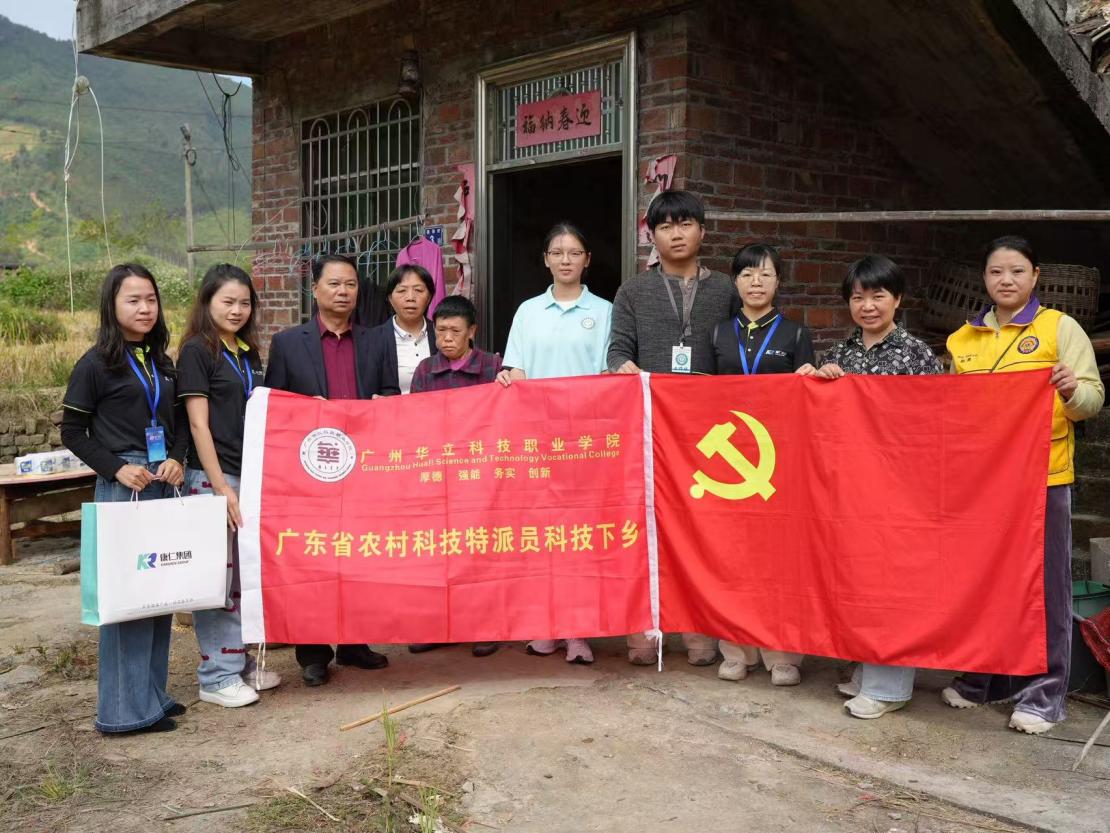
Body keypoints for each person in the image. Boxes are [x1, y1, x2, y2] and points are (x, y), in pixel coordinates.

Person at [941, 236, 1104, 734]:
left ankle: (1046, 692)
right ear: (984, 279)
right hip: (982, 481)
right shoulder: (961, 340)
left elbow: (1092, 399)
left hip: (1044, 476)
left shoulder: (1060, 328)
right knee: (984, 581)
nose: (1006, 280)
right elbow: (952, 411)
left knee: (1046, 586)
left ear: (1036, 276)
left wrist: (1072, 391)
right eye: (996, 272)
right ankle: (985, 677)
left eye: (1017, 271)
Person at [797, 255, 941, 719]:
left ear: (898, 299)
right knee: (855, 579)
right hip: (849, 489)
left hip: (900, 489)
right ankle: (866, 665)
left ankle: (890, 685)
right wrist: (813, 382)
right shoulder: (840, 353)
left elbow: (936, 421)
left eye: (878, 295)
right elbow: (819, 420)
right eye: (858, 297)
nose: (868, 306)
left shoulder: (917, 354)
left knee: (891, 582)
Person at [608, 189, 737, 666]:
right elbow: (618, 349)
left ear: (702, 231)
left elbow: (739, 356)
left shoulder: (727, 290)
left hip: (710, 432)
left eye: (685, 224)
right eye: (665, 226)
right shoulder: (632, 291)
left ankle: (700, 631)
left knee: (704, 530)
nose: (675, 234)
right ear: (652, 235)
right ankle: (645, 632)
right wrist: (621, 366)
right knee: (648, 528)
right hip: (651, 430)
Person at [61, 264, 188, 734]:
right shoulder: (95, 364)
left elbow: (179, 425)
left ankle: (151, 695)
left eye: (151, 299)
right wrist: (115, 467)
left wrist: (176, 458)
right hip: (123, 485)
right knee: (127, 596)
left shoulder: (160, 361)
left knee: (159, 591)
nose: (145, 308)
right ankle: (122, 711)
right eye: (133, 300)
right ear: (112, 306)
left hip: (161, 479)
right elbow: (72, 432)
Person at [263, 252, 390, 686]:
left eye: (351, 284)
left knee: (359, 556)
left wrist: (382, 406)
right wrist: (304, 411)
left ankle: (354, 643)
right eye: (334, 283)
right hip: (310, 472)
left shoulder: (376, 340)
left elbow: (390, 395)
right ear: (314, 289)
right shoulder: (287, 343)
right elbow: (274, 407)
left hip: (364, 469)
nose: (343, 291)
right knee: (312, 560)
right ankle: (313, 653)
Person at [496, 221, 613, 665]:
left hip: (585, 444)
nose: (566, 260)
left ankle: (578, 631)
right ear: (545, 259)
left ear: (587, 260)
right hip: (538, 444)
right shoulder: (528, 312)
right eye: (558, 252)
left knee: (580, 538)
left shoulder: (605, 311)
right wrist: (509, 378)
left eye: (574, 252)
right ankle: (545, 625)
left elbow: (608, 377)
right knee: (541, 536)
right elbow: (517, 371)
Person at [177, 264, 282, 708]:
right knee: (217, 579)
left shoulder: (245, 351)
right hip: (214, 478)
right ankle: (216, 676)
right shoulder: (196, 351)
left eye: (244, 303)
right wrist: (220, 485)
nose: (237, 310)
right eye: (227, 302)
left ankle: (238, 662)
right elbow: (198, 426)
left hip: (249, 475)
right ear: (207, 302)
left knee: (242, 576)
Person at [710, 243, 814, 686]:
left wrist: (812, 379)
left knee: (779, 559)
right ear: (735, 282)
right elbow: (699, 397)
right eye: (748, 274)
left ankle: (783, 654)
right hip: (728, 463)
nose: (757, 282)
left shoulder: (795, 333)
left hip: (779, 461)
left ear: (778, 282)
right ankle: (736, 651)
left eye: (766, 274)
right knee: (730, 557)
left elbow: (811, 402)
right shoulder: (718, 333)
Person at [409, 294, 503, 657]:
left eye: (455, 331)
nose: (446, 338)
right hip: (439, 476)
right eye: (440, 331)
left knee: (480, 552)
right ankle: (441, 627)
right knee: (440, 553)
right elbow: (415, 422)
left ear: (472, 331)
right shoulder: (424, 371)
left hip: (481, 478)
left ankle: (485, 626)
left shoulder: (492, 367)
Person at [370, 264, 437, 396]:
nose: (410, 297)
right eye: (402, 291)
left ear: (429, 298)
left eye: (418, 290)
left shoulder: (441, 334)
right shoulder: (373, 339)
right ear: (390, 298)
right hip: (392, 409)